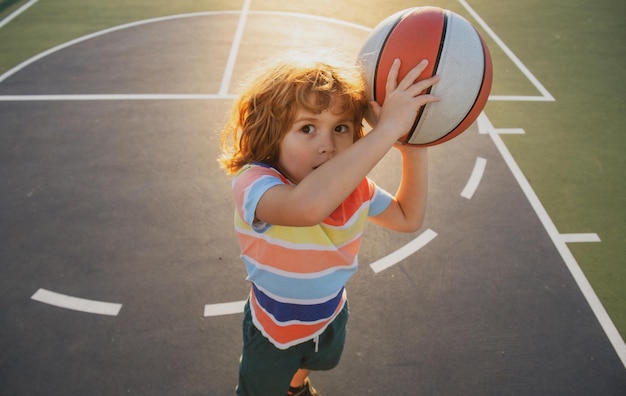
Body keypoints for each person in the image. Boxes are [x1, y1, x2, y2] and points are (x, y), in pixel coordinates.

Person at [218, 52, 440, 396]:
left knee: (315, 359)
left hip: (330, 314)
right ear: (271, 135)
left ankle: (296, 386)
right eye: (307, 128)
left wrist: (414, 149)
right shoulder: (256, 184)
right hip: (274, 328)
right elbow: (307, 209)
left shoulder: (356, 189)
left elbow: (407, 217)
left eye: (341, 128)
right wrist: (389, 128)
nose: (327, 145)